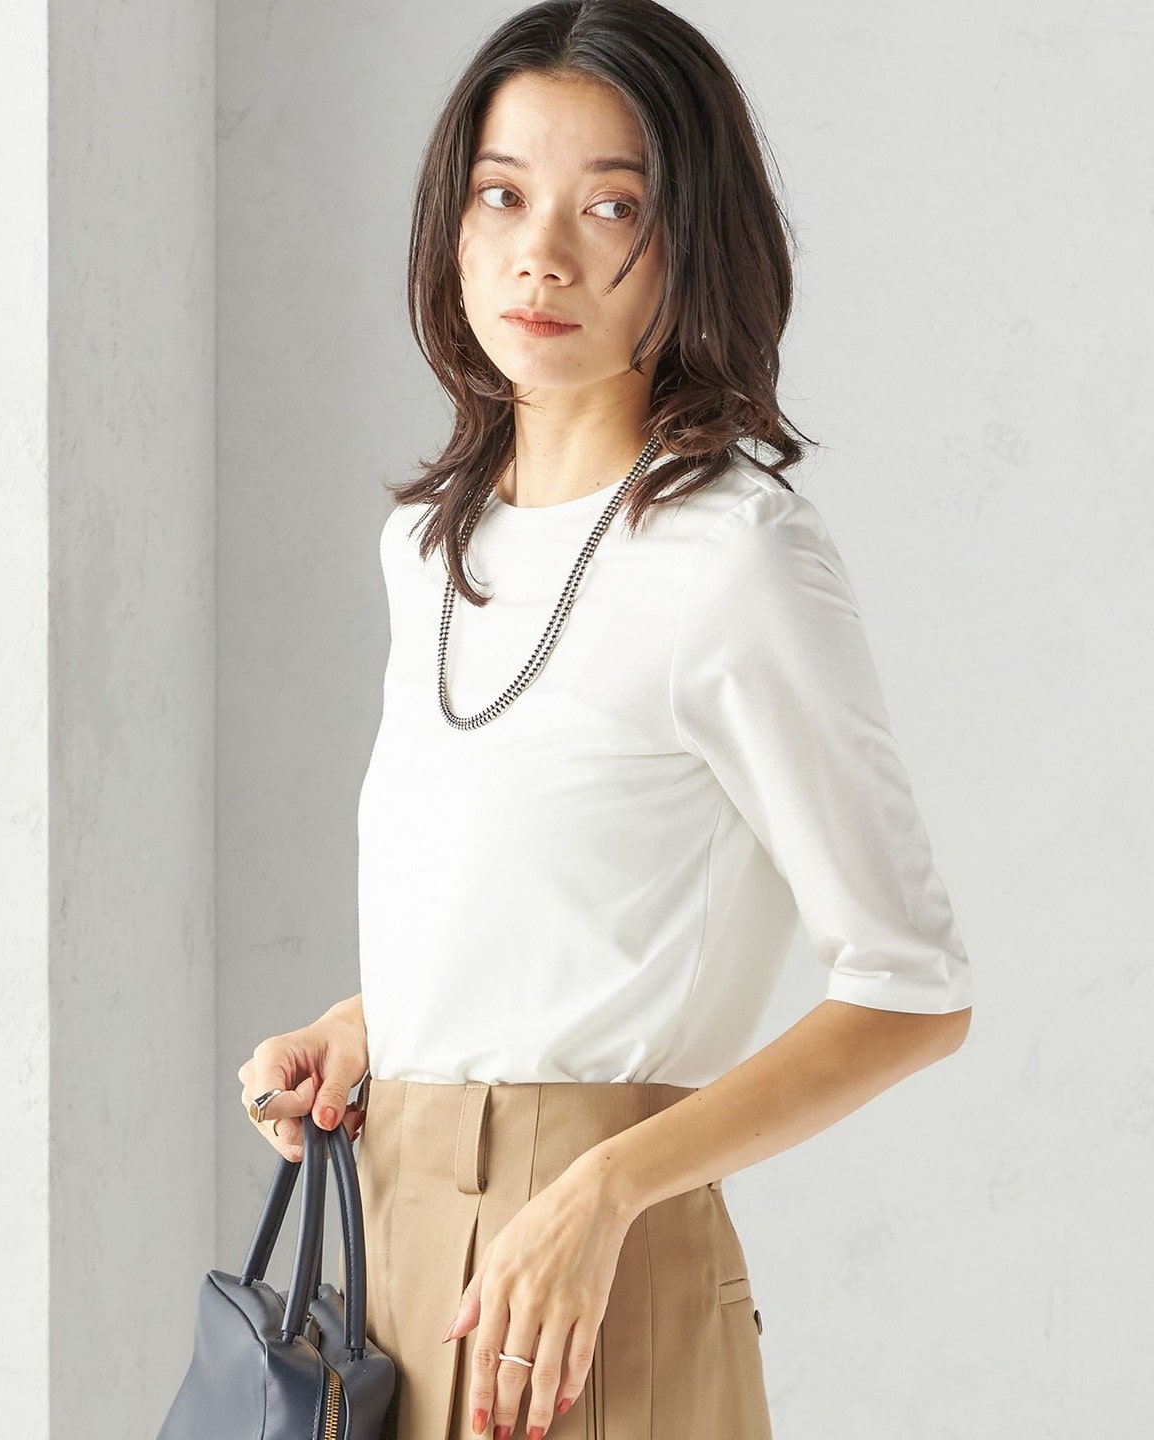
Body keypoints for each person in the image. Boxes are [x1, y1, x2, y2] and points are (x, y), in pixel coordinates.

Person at [237, 3, 975, 1437]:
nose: (543, 254)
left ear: (691, 244)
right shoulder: (428, 549)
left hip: (589, 1294)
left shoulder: (735, 558)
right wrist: (368, 1028)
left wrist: (612, 1184)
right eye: (503, 195)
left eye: (612, 207)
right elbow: (553, 906)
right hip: (390, 1270)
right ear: (452, 228)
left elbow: (914, 992)